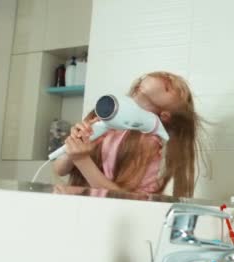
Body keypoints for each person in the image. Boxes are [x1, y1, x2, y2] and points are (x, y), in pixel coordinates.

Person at [53, 72, 204, 197]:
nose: (171, 79)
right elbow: (60, 169)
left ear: (165, 115)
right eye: (166, 77)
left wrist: (81, 159)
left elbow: (121, 198)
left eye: (178, 91)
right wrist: (74, 148)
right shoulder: (104, 113)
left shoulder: (149, 143)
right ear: (138, 87)